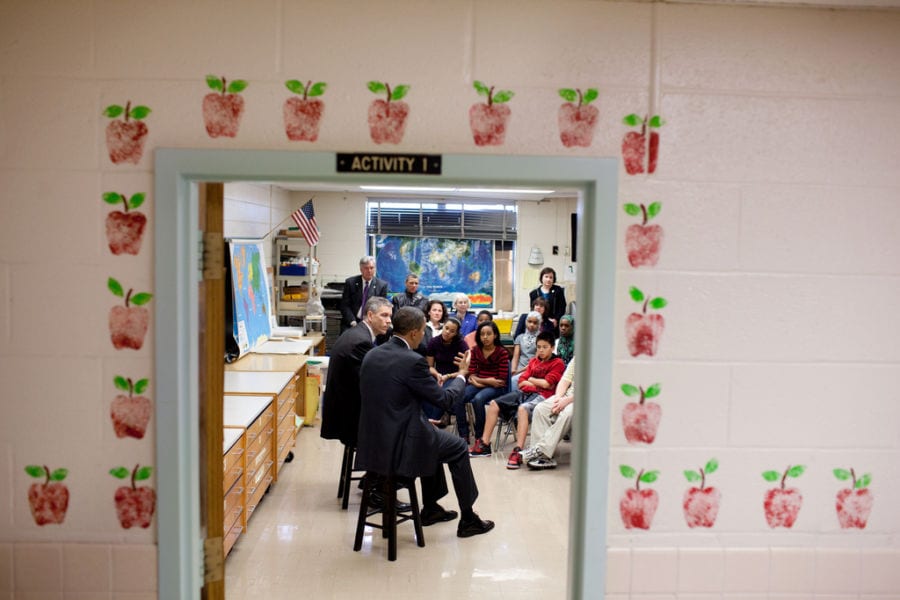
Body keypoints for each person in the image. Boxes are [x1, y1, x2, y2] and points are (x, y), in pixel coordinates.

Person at [356, 307, 495, 538]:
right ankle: (468, 518)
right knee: (458, 447)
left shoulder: (373, 354)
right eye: (422, 331)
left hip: (374, 438)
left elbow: (390, 398)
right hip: (401, 442)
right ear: (413, 333)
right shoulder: (413, 361)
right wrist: (462, 375)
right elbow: (446, 400)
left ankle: (431, 508)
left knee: (433, 436)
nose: (424, 336)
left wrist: (418, 416)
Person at [470, 332, 565, 469]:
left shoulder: (558, 363)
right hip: (524, 392)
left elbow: (547, 385)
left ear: (552, 347)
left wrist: (530, 380)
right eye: (538, 347)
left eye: (545, 347)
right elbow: (521, 381)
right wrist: (535, 382)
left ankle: (518, 450)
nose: (541, 350)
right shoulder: (533, 361)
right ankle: (484, 445)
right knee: (494, 404)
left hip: (543, 396)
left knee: (522, 409)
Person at [321, 296, 393, 448]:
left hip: (345, 408)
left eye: (390, 316)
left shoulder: (358, 333)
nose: (389, 321)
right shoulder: (361, 342)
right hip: (350, 418)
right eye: (384, 315)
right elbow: (372, 381)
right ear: (370, 315)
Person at [454, 321, 509, 443]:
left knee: (478, 399)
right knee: (458, 397)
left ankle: (480, 437)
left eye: (488, 334)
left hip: (497, 388)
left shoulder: (502, 352)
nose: (485, 337)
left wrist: (479, 381)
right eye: (482, 334)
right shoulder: (475, 350)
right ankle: (463, 434)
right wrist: (486, 381)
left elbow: (500, 380)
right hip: (480, 384)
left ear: (495, 335)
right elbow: (472, 373)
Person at [524, 356, 576, 470]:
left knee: (567, 413)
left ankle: (540, 449)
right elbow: (565, 380)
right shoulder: (577, 358)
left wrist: (566, 401)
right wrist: (558, 399)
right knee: (540, 408)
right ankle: (543, 458)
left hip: (583, 400)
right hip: (565, 396)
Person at [424, 317, 469, 424]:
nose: (447, 332)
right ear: (443, 326)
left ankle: (434, 422)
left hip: (455, 376)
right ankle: (428, 421)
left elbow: (466, 370)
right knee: (425, 390)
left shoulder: (461, 344)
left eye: (452, 331)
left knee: (441, 393)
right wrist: (437, 374)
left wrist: (448, 376)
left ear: (456, 333)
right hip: (438, 375)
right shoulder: (434, 342)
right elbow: (429, 366)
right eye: (446, 328)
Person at [339, 256, 389, 333]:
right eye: (366, 268)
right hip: (352, 321)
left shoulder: (382, 285)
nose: (369, 271)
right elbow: (345, 305)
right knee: (346, 337)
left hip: (372, 322)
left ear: (375, 269)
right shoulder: (350, 282)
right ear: (361, 269)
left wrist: (372, 322)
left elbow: (381, 308)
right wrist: (352, 322)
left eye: (371, 268)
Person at [528, 267, 567, 335]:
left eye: (551, 277)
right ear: (542, 278)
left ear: (553, 279)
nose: (548, 279)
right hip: (539, 322)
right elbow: (533, 309)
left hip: (554, 323)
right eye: (546, 277)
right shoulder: (534, 293)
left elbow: (562, 307)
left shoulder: (558, 290)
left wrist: (556, 319)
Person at [509, 311, 541, 390]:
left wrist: (518, 372)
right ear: (526, 322)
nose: (531, 325)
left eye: (535, 323)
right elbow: (516, 357)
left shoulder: (541, 339)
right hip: (519, 368)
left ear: (539, 324)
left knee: (514, 381)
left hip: (532, 370)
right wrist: (513, 370)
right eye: (529, 321)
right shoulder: (520, 337)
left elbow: (536, 360)